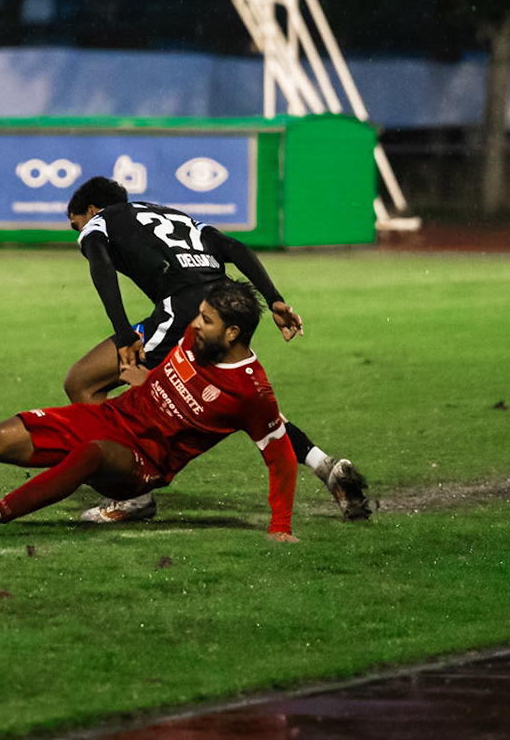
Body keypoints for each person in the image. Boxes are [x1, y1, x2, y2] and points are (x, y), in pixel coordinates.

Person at [0, 278, 297, 541]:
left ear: (233, 332)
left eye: (206, 320)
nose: (195, 324)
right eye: (198, 315)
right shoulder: (193, 339)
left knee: (93, 455)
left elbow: (281, 459)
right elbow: (173, 379)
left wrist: (280, 527)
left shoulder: (250, 392)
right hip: (111, 417)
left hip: (142, 462)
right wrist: (145, 380)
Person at [61, 176, 369, 523]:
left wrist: (122, 333)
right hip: (225, 303)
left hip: (183, 309)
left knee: (82, 382)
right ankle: (325, 467)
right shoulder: (172, 214)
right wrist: (275, 300)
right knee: (236, 398)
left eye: (76, 224)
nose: (78, 232)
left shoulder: (99, 222)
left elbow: (101, 265)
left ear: (90, 210)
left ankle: (133, 495)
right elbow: (234, 249)